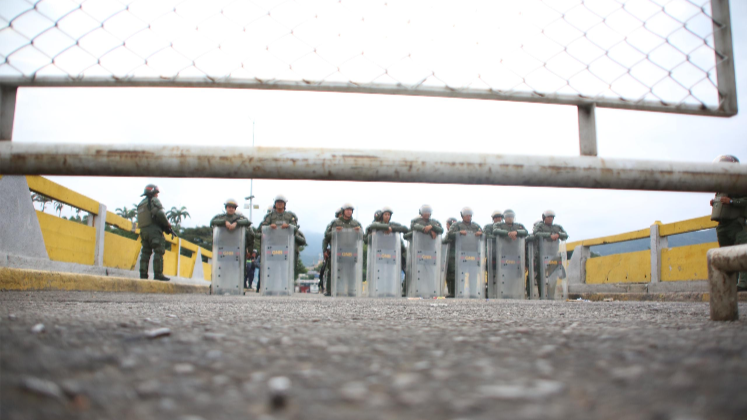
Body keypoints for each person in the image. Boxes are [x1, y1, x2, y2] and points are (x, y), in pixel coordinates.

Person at [710, 155, 747, 291]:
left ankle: (743, 283)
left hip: (736, 224)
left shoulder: (740, 184)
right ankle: (731, 283)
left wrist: (731, 201)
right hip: (723, 225)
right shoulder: (721, 186)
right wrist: (715, 203)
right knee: (727, 256)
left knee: (741, 254)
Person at [136, 184, 174, 281]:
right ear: (153, 193)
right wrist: (167, 225)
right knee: (158, 250)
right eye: (157, 193)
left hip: (143, 231)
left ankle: (143, 275)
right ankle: (158, 274)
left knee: (145, 252)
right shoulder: (153, 200)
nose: (157, 195)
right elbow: (160, 213)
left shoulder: (141, 204)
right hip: (154, 230)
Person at [322, 203, 362, 294]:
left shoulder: (356, 223)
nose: (349, 211)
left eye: (351, 210)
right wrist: (335, 231)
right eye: (347, 210)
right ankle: (333, 290)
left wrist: (358, 232)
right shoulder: (335, 223)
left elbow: (363, 236)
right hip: (338, 250)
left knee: (351, 272)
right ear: (343, 211)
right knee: (336, 271)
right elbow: (326, 236)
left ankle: (351, 291)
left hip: (351, 251)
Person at [446, 207, 483, 297]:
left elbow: (483, 233)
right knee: (460, 274)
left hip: (473, 253)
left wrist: (480, 233)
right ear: (462, 215)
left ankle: (473, 293)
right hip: (461, 253)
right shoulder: (456, 225)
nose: (468, 217)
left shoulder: (476, 226)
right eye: (466, 215)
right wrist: (459, 233)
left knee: (473, 274)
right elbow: (449, 234)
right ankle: (460, 292)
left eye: (470, 215)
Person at [319, 207, 343, 295]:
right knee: (331, 271)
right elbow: (326, 238)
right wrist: (325, 250)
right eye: (340, 214)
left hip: (346, 250)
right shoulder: (332, 224)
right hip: (334, 250)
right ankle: (329, 290)